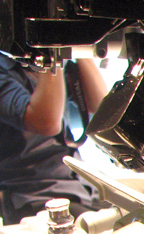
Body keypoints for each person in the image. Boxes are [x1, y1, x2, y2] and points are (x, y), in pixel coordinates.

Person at [0, 55, 107, 224]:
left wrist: (80, 51)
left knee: (140, 213)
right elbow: (47, 123)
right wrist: (52, 54)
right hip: (36, 198)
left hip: (82, 187)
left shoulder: (35, 63)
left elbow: (102, 108)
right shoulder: (6, 67)